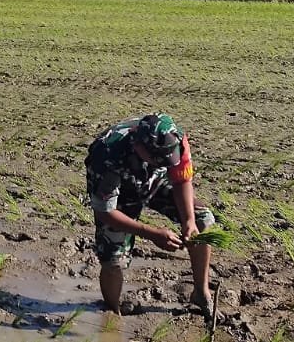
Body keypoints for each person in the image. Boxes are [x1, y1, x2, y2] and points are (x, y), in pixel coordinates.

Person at [84, 113, 216, 315]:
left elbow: (181, 179)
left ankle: (201, 292)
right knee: (113, 259)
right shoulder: (107, 153)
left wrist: (189, 220)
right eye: (157, 158)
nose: (163, 161)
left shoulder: (175, 140)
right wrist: (152, 234)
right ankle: (112, 311)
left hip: (156, 181)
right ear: (139, 146)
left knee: (202, 221)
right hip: (121, 193)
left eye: (167, 159)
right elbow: (105, 211)